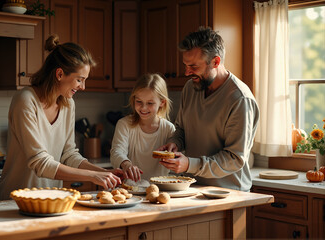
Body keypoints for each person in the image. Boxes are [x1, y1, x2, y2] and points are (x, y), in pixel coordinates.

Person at [0, 35, 122, 200]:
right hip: (16, 202)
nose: (82, 87)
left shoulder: (68, 104)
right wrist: (91, 176)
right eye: (79, 80)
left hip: (52, 201)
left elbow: (69, 154)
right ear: (60, 74)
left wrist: (103, 172)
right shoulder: (25, 100)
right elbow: (39, 162)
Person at [158, 26, 260, 191]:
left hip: (228, 193)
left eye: (193, 67)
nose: (186, 72)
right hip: (191, 188)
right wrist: (174, 143)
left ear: (216, 62)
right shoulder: (190, 88)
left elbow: (234, 158)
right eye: (185, 65)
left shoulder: (240, 99)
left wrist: (189, 164)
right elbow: (181, 129)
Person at [110, 73, 175, 182]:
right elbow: (117, 152)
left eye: (150, 103)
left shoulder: (169, 129)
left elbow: (176, 158)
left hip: (161, 188)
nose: (143, 108)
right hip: (132, 188)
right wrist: (126, 164)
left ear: (162, 102)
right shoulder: (124, 124)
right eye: (139, 101)